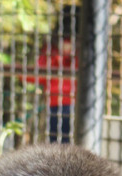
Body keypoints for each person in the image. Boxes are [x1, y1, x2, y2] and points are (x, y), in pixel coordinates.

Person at [28, 4, 79, 143]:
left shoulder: (52, 46)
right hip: (62, 103)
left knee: (58, 144)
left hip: (65, 104)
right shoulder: (52, 47)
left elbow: (38, 74)